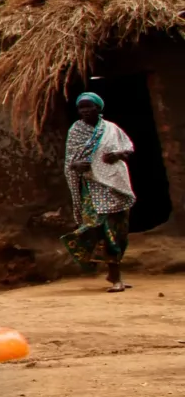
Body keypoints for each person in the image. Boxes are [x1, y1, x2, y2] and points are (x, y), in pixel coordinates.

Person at [63, 90, 136, 289]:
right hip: (93, 188)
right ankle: (115, 276)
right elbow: (70, 162)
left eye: (89, 107)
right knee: (105, 230)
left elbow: (128, 149)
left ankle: (115, 275)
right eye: (81, 107)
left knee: (120, 230)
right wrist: (77, 166)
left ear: (98, 108)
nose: (85, 111)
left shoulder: (111, 129)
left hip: (116, 185)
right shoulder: (75, 132)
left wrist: (117, 154)